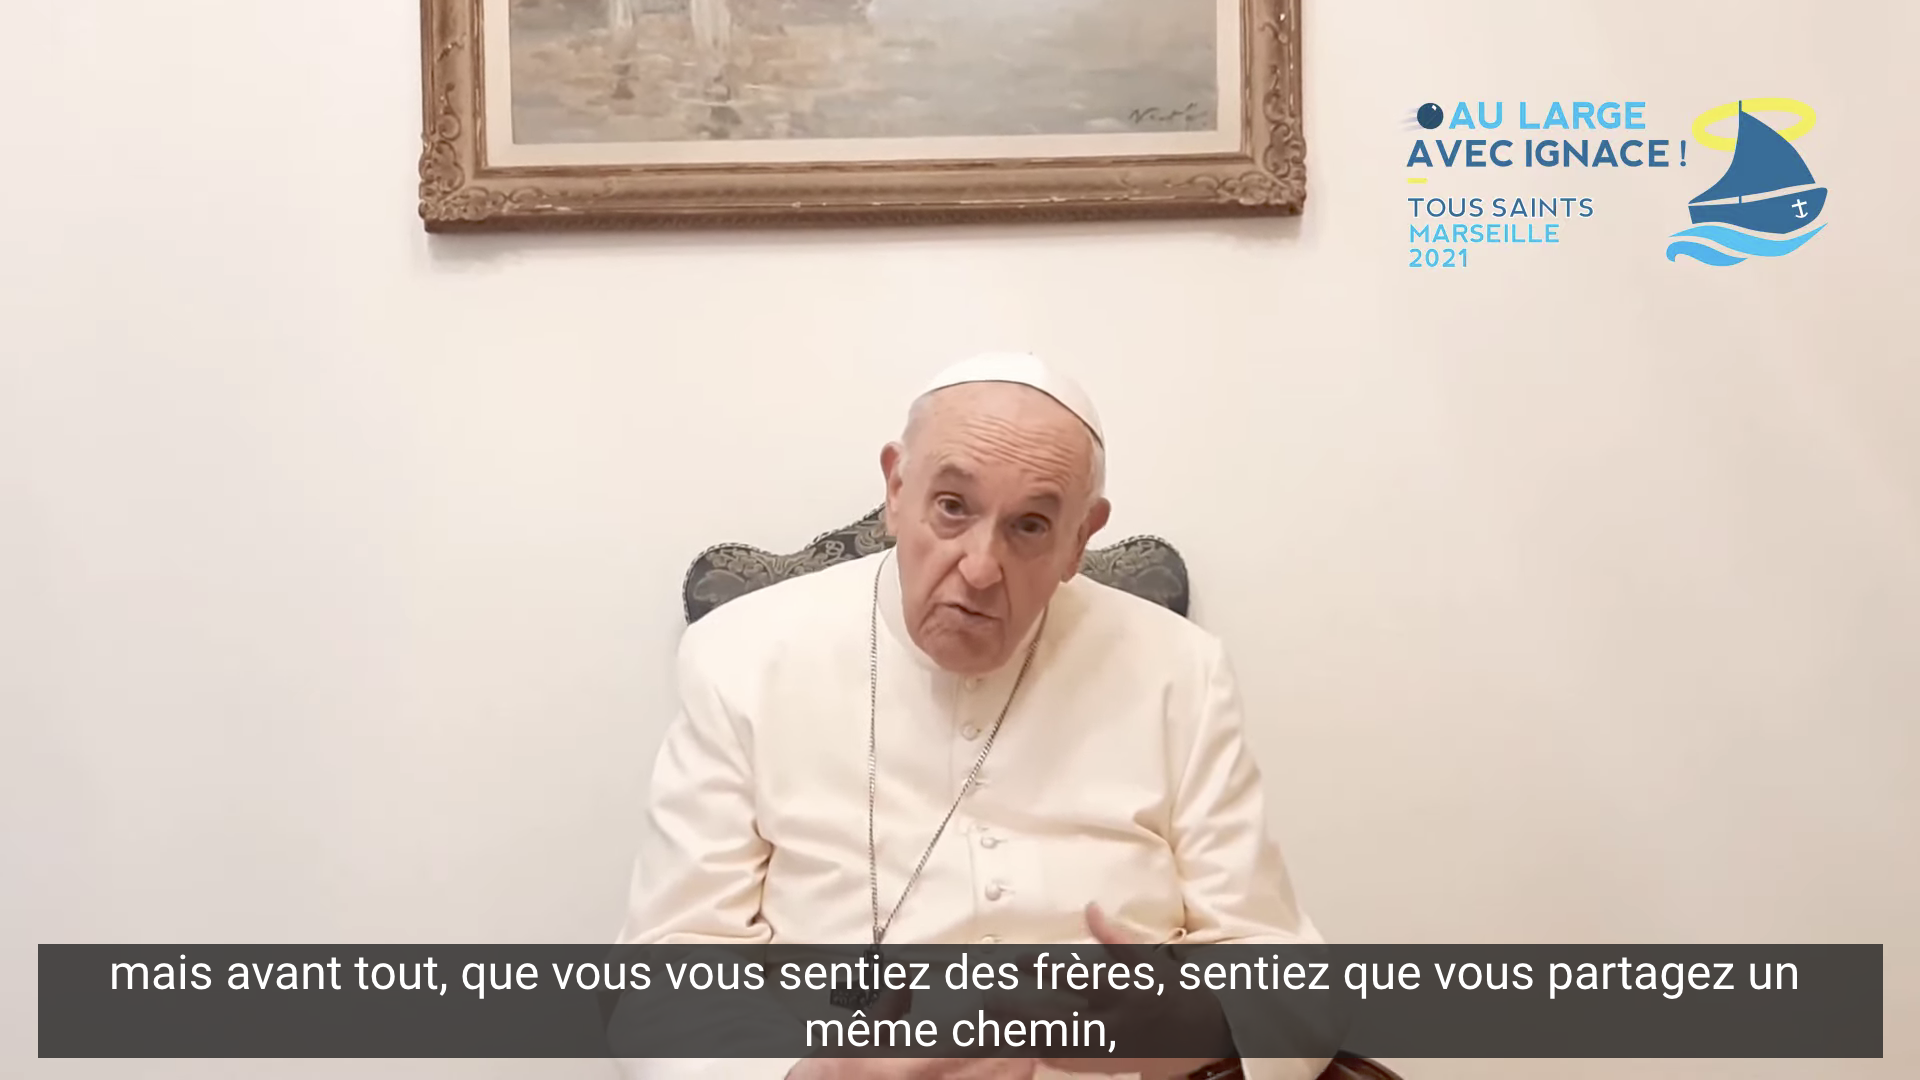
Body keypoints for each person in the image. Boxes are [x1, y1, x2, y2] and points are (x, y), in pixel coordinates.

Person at [615, 353, 1328, 1080]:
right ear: (897, 489)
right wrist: (818, 1073)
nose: (981, 568)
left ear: (1080, 538)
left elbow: (1286, 969)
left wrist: (1191, 1028)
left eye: (1031, 526)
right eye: (953, 507)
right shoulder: (743, 654)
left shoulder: (1181, 669)